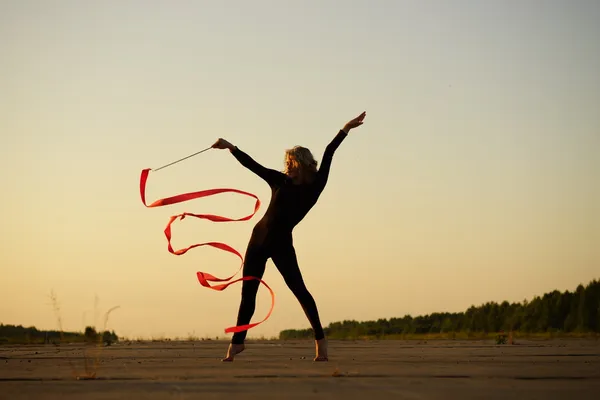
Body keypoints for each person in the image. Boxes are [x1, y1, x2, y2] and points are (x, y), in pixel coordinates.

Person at [211, 111, 367, 362]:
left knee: (299, 290)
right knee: (248, 294)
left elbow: (329, 151)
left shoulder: (316, 183)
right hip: (257, 241)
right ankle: (237, 344)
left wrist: (345, 129)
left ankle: (321, 342)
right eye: (286, 164)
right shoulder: (279, 181)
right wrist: (231, 147)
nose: (287, 168)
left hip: (282, 243)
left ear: (302, 165)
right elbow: (253, 165)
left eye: (291, 164)